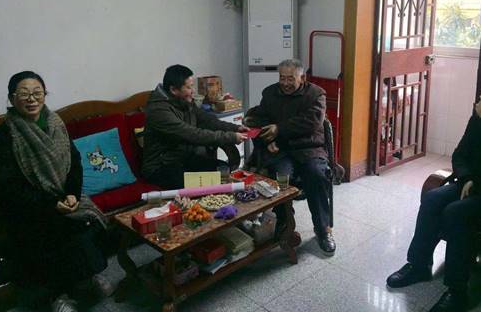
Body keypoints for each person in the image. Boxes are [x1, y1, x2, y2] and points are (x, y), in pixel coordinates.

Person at [386, 76, 481, 312]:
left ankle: (457, 291)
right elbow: (461, 153)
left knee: (456, 213)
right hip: (475, 184)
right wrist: (467, 177)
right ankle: (419, 265)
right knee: (433, 198)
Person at [0, 71, 113, 312]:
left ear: (44, 95)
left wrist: (72, 193)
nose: (32, 99)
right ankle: (56, 295)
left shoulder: (55, 123)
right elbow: (7, 187)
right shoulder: (3, 137)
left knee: (85, 217)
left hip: (63, 195)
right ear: (12, 99)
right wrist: (50, 203)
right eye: (24, 94)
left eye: (37, 93)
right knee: (48, 229)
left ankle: (86, 278)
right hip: (27, 205)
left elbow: (74, 162)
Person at [245, 59, 336, 256]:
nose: (285, 83)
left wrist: (279, 129)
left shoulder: (316, 94)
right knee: (280, 178)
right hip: (282, 150)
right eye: (282, 78)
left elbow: (311, 123)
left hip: (309, 148)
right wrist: (266, 140)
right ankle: (285, 221)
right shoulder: (270, 93)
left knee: (316, 174)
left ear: (302, 78)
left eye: (290, 79)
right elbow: (259, 118)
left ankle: (323, 229)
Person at [142, 64, 249, 189]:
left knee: (221, 169)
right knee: (200, 184)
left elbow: (207, 120)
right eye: (189, 87)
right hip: (161, 166)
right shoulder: (158, 111)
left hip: (183, 159)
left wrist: (235, 128)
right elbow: (192, 134)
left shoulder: (183, 101)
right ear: (173, 89)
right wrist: (231, 137)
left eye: (192, 86)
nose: (193, 91)